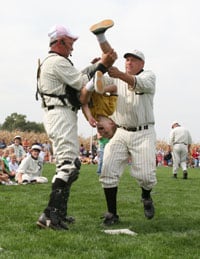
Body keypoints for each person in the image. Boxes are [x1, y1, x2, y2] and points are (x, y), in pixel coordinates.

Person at [36, 23, 117, 230]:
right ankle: (49, 215)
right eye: (70, 43)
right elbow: (82, 84)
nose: (73, 47)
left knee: (71, 166)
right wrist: (99, 67)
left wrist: (97, 67)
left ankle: (58, 213)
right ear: (60, 42)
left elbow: (81, 79)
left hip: (61, 113)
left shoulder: (57, 62)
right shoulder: (57, 62)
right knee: (67, 166)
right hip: (60, 114)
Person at [96, 48, 157, 225]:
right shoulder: (116, 76)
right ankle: (112, 213)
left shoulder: (149, 76)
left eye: (133, 60)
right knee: (107, 169)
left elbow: (138, 83)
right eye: (127, 59)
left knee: (146, 176)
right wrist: (99, 67)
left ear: (142, 64)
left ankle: (146, 196)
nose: (129, 62)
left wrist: (119, 74)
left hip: (143, 131)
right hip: (121, 131)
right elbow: (99, 85)